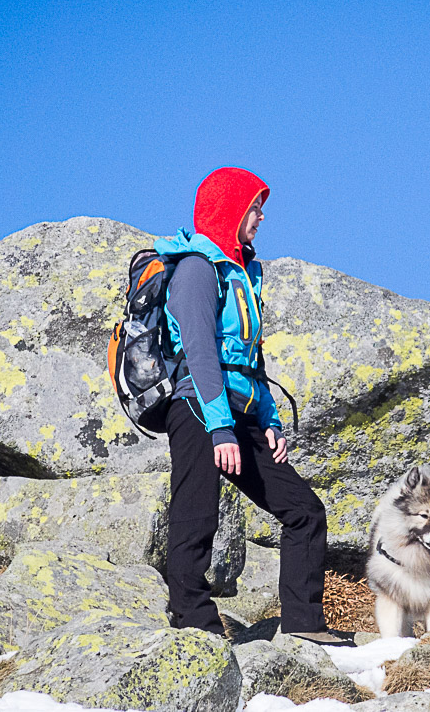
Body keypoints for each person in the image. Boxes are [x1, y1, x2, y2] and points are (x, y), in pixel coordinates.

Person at [155, 166, 348, 645]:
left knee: (305, 510)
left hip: (239, 414)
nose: (260, 216)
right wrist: (220, 429)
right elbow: (200, 353)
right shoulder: (197, 269)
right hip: (198, 408)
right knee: (197, 516)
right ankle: (193, 623)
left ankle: (304, 627)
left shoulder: (242, 273)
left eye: (261, 207)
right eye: (254, 207)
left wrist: (270, 420)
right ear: (229, 210)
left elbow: (248, 361)